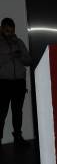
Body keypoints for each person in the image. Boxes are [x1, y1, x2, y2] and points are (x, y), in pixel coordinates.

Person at [0, 17, 31, 145]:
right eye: (7, 30)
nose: (10, 33)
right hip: (4, 83)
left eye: (12, 30)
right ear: (2, 28)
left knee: (18, 112)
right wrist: (10, 56)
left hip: (19, 83)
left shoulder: (19, 42)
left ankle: (18, 137)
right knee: (1, 112)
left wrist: (21, 57)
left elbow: (29, 60)